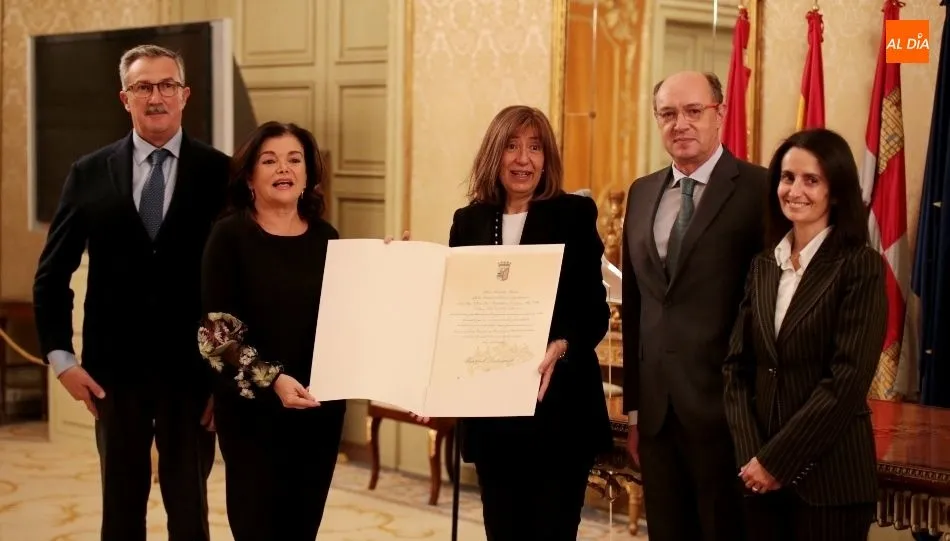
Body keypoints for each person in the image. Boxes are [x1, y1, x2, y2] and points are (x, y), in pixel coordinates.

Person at [32, 44, 227, 541]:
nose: (155, 96)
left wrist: (226, 377)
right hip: (112, 375)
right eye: (143, 86)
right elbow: (53, 272)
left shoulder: (223, 173)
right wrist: (61, 358)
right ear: (125, 98)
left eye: (166, 85)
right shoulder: (89, 172)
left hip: (193, 375)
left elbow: (239, 276)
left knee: (190, 511)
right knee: (120, 509)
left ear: (185, 95)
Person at [442, 104, 612, 540]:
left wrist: (562, 344)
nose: (524, 159)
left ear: (547, 157)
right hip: (493, 414)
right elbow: (454, 309)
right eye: (512, 147)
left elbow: (593, 309)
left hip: (559, 411)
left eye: (535, 148)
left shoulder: (573, 214)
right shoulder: (469, 221)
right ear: (493, 155)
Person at [620, 70, 768, 541]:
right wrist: (636, 410)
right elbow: (637, 306)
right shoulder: (642, 193)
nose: (679, 124)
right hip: (659, 418)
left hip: (729, 415)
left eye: (693, 111)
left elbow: (769, 310)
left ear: (719, 113)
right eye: (667, 114)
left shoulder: (760, 190)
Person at [722, 128, 886, 541]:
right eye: (787, 177)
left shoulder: (859, 266)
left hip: (829, 483)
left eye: (811, 180)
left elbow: (845, 381)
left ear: (836, 190)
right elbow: (736, 368)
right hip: (757, 480)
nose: (794, 190)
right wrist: (752, 459)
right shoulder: (763, 265)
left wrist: (777, 461)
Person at [197, 121, 345, 541]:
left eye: (294, 159)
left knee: (302, 529)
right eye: (270, 160)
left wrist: (390, 260)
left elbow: (349, 319)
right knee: (258, 527)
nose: (284, 168)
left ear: (308, 176)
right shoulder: (228, 237)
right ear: (249, 176)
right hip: (255, 414)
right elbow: (216, 338)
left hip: (319, 410)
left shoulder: (327, 239)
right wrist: (275, 380)